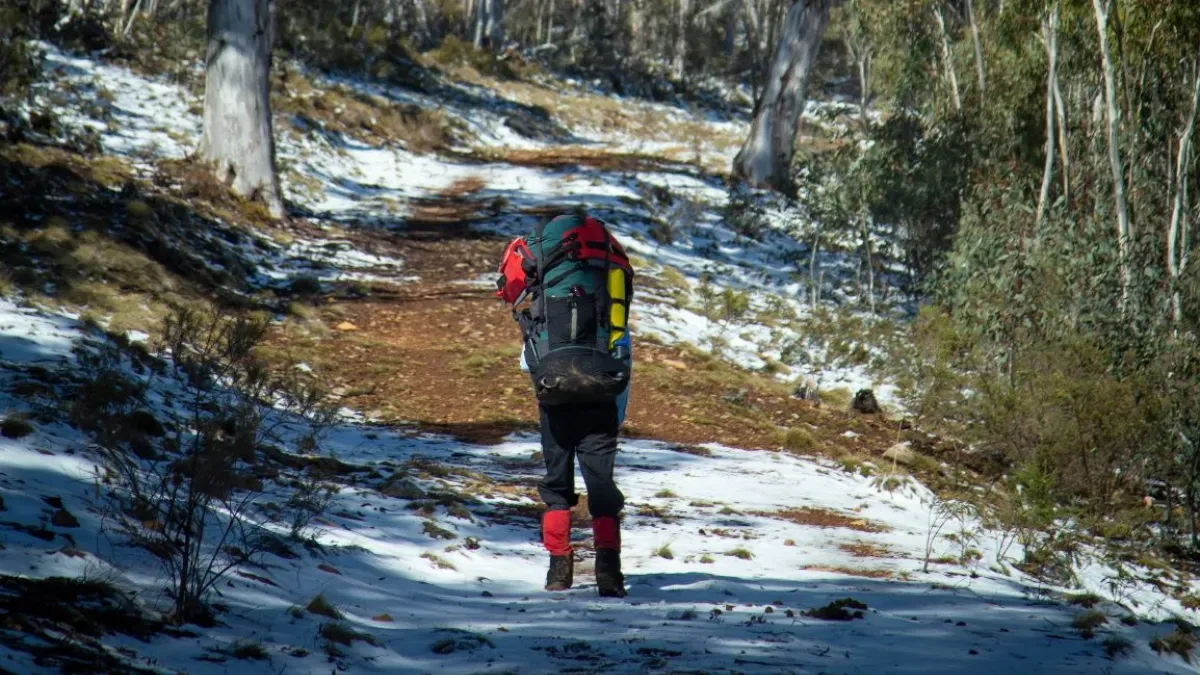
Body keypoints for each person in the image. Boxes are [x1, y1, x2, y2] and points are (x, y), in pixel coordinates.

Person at [495, 210, 633, 598]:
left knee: (557, 482)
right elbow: (623, 347)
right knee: (601, 482)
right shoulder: (610, 263)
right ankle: (610, 569)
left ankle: (559, 569)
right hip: (602, 389)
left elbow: (511, 299)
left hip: (554, 389)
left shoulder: (536, 260)